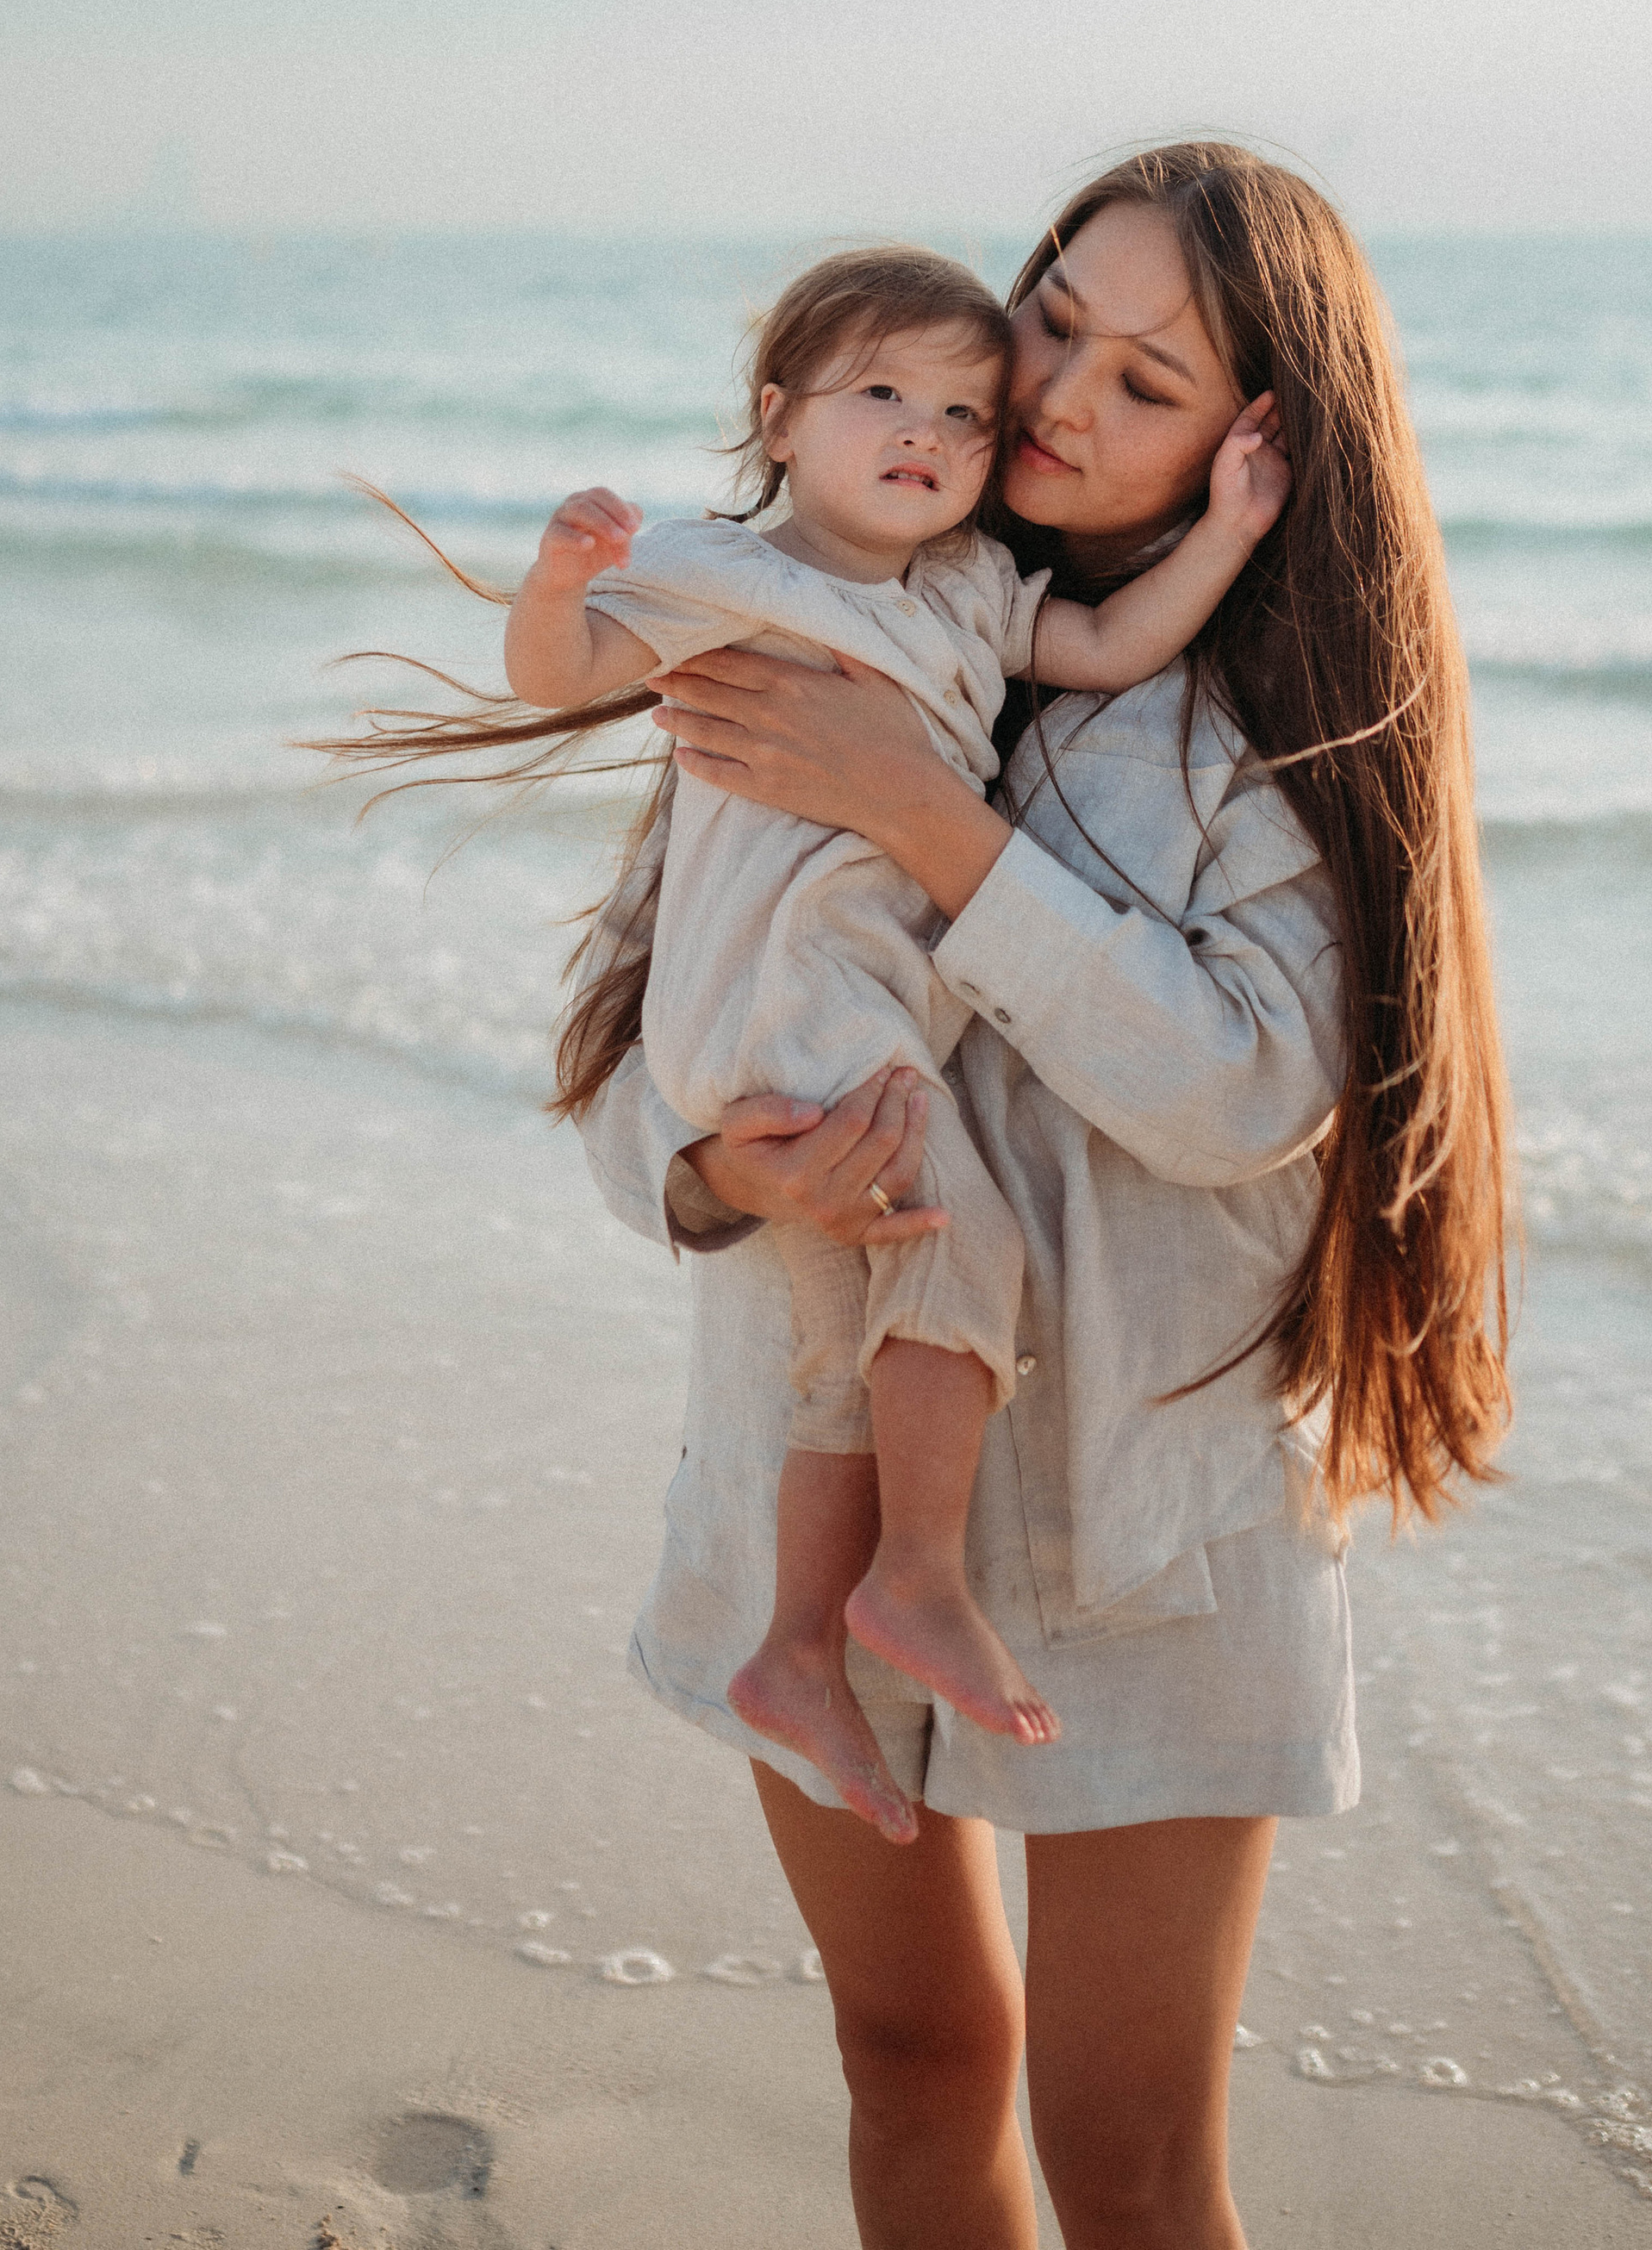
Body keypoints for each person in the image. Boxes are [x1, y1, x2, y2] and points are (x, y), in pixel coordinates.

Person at [573, 140, 1512, 2250]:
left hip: (1135, 1528)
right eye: (1054, 316)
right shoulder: (829, 607)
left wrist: (924, 818)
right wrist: (711, 1168)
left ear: (1257, 438)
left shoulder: (1252, 727)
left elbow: (1240, 1091)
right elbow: (633, 1039)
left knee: (1129, 2157)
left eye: (1144, 378)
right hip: (819, 1484)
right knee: (910, 2063)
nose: (1057, 393)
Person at [497, 245, 1289, 1838]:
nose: (932, 430)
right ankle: (913, 1576)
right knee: (956, 1248)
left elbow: (1111, 648)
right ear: (778, 419)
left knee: (840, 1361)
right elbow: (559, 681)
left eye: (963, 413)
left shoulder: (974, 595)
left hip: (849, 1033)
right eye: (882, 394)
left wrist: (1229, 529)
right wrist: (560, 582)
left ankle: (802, 1645)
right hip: (798, 1016)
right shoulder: (728, 584)